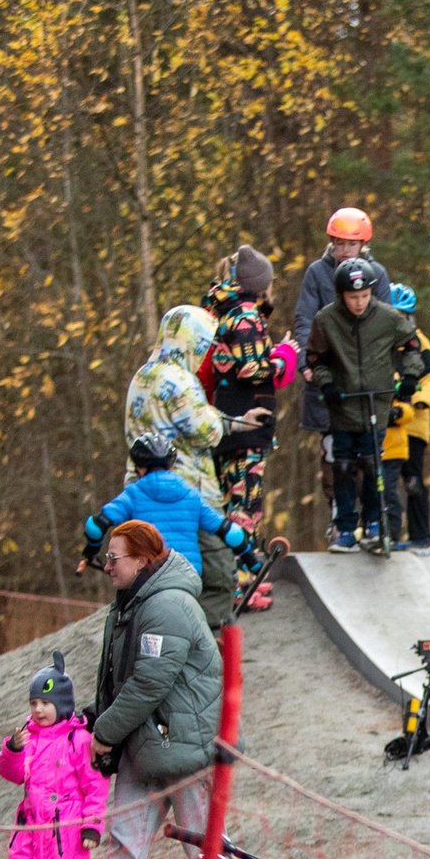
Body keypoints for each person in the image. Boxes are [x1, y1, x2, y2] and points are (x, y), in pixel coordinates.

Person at [68, 520, 250, 859]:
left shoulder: (166, 606)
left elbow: (150, 681)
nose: (106, 565)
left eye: (115, 558)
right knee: (126, 838)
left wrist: (105, 731)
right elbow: (125, 676)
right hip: (145, 740)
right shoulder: (131, 603)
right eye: (106, 556)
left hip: (184, 743)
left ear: (144, 561)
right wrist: (100, 714)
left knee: (203, 842)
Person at [125, 305, 269, 629]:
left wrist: (237, 423)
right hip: (187, 488)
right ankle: (204, 640)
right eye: (203, 345)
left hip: (141, 486)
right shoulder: (180, 380)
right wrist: (224, 426)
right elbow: (206, 431)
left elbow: (181, 422)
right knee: (216, 569)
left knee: (150, 569)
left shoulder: (144, 375)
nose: (205, 354)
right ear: (193, 342)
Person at [302, 259, 427, 554]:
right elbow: (315, 357)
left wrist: (410, 376)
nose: (359, 303)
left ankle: (374, 522)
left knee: (372, 465)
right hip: (343, 405)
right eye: (352, 297)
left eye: (364, 296)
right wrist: (326, 383)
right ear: (341, 295)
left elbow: (411, 345)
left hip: (376, 404)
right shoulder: (326, 320)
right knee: (343, 467)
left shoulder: (387, 317)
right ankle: (345, 529)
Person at [0, 652, 106, 859]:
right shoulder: (27, 736)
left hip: (65, 827)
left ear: (62, 703)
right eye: (34, 703)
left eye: (45, 702)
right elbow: (12, 774)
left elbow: (95, 785)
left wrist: (92, 826)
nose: (38, 710)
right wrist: (12, 750)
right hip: (29, 824)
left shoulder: (78, 739)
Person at [291, 208, 394, 543]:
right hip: (330, 380)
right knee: (336, 453)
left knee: (370, 454)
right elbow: (305, 319)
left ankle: (373, 521)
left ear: (363, 243)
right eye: (339, 242)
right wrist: (309, 363)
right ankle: (340, 518)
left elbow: (385, 324)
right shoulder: (316, 273)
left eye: (352, 243)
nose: (345, 249)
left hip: (366, 382)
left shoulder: (377, 274)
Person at [85, 434, 263, 587]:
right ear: (171, 466)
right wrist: (252, 563)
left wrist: (91, 552)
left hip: (148, 576)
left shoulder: (133, 494)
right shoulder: (191, 495)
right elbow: (230, 531)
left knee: (124, 610)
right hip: (188, 576)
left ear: (139, 468)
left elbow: (95, 526)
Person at [202, 244, 296, 527]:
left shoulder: (228, 312)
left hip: (233, 423)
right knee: (245, 508)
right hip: (246, 426)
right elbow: (250, 369)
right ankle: (244, 565)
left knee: (231, 503)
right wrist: (283, 358)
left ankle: (238, 562)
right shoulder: (245, 317)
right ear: (260, 284)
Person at [381, 283, 430, 551]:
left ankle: (421, 536)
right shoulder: (378, 341)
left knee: (414, 481)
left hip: (414, 425)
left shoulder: (419, 342)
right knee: (383, 482)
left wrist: (422, 400)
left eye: (403, 316)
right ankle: (386, 532)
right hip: (387, 423)